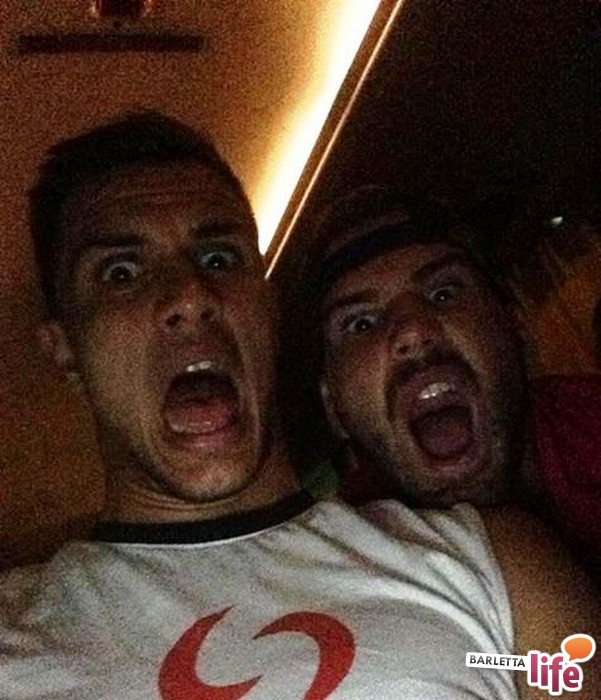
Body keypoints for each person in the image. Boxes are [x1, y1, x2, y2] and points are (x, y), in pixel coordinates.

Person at [0, 114, 598, 700]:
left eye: (218, 259)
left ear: (269, 312)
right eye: (122, 272)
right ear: (65, 347)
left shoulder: (495, 564)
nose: (190, 295)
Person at [307, 184, 601, 575]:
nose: (412, 331)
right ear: (333, 408)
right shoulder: (341, 571)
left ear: (517, 329)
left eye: (443, 293)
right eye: (361, 324)